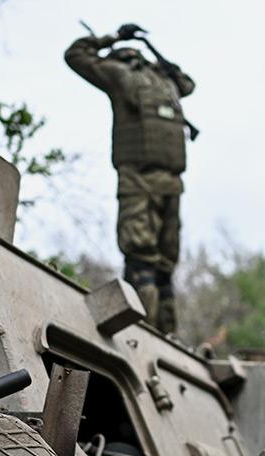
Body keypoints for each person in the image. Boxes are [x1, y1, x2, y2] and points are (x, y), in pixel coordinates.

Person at [65, 24, 195, 333]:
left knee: (156, 266)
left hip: (165, 182)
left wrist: (115, 40)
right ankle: (144, 334)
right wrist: (118, 38)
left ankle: (159, 336)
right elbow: (74, 56)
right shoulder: (141, 78)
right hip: (142, 179)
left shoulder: (144, 78)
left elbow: (77, 53)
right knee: (148, 264)